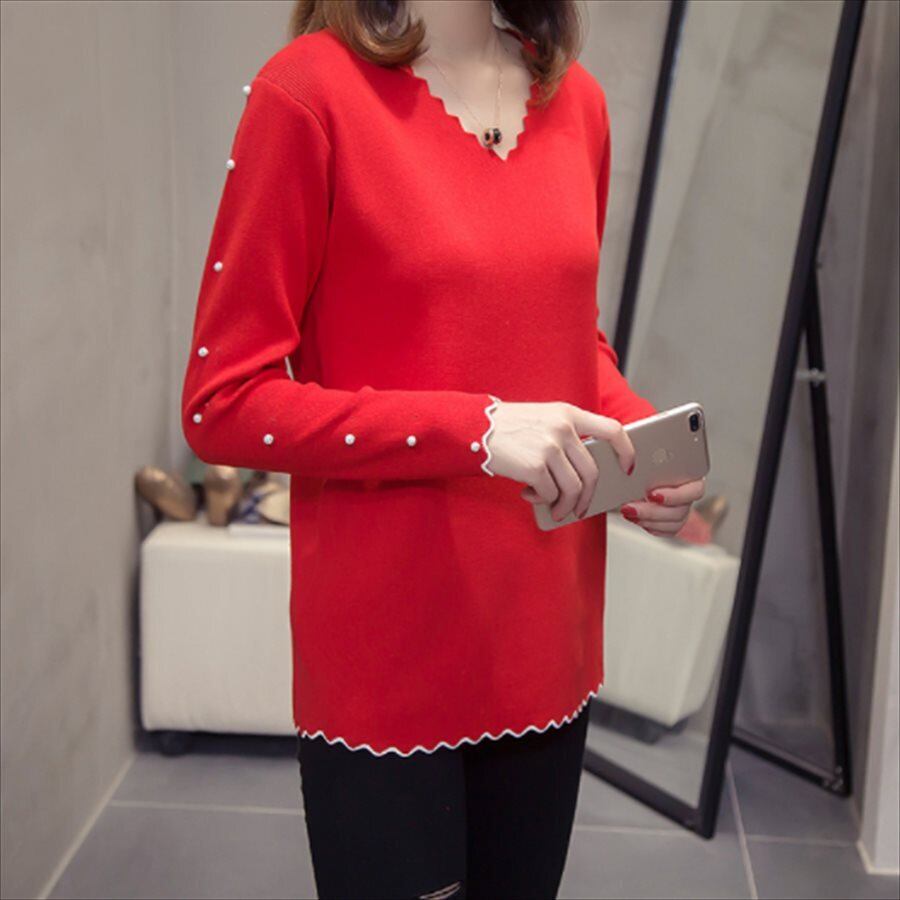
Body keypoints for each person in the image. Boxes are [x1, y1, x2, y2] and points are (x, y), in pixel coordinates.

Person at [181, 1, 705, 896]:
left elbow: (569, 337)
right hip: (386, 653)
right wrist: (476, 431)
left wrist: (634, 440)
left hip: (547, 640)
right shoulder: (306, 94)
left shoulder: (577, 102)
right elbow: (223, 402)